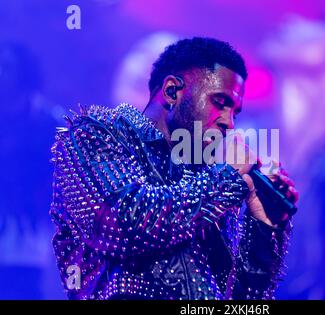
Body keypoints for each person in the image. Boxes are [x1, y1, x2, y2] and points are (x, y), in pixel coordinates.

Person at [49, 37, 298, 300]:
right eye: (220, 102)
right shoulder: (94, 136)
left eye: (235, 112)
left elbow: (241, 301)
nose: (229, 123)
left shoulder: (206, 178)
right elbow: (123, 223)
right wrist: (226, 179)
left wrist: (264, 227)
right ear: (172, 92)